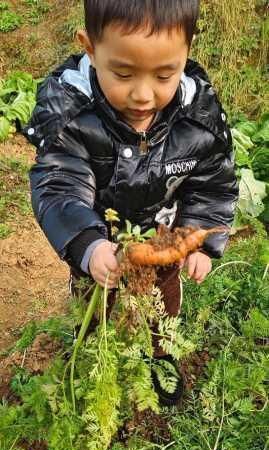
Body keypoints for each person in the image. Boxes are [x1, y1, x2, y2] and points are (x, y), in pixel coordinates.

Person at [23, 0, 238, 406]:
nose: (143, 95)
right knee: (95, 306)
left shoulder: (198, 116)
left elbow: (212, 185)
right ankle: (92, 359)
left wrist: (201, 243)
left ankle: (160, 358)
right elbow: (59, 184)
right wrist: (88, 244)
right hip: (102, 246)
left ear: (187, 53)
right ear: (90, 48)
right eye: (122, 73)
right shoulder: (71, 113)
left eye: (164, 74)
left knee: (163, 306)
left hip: (162, 242)